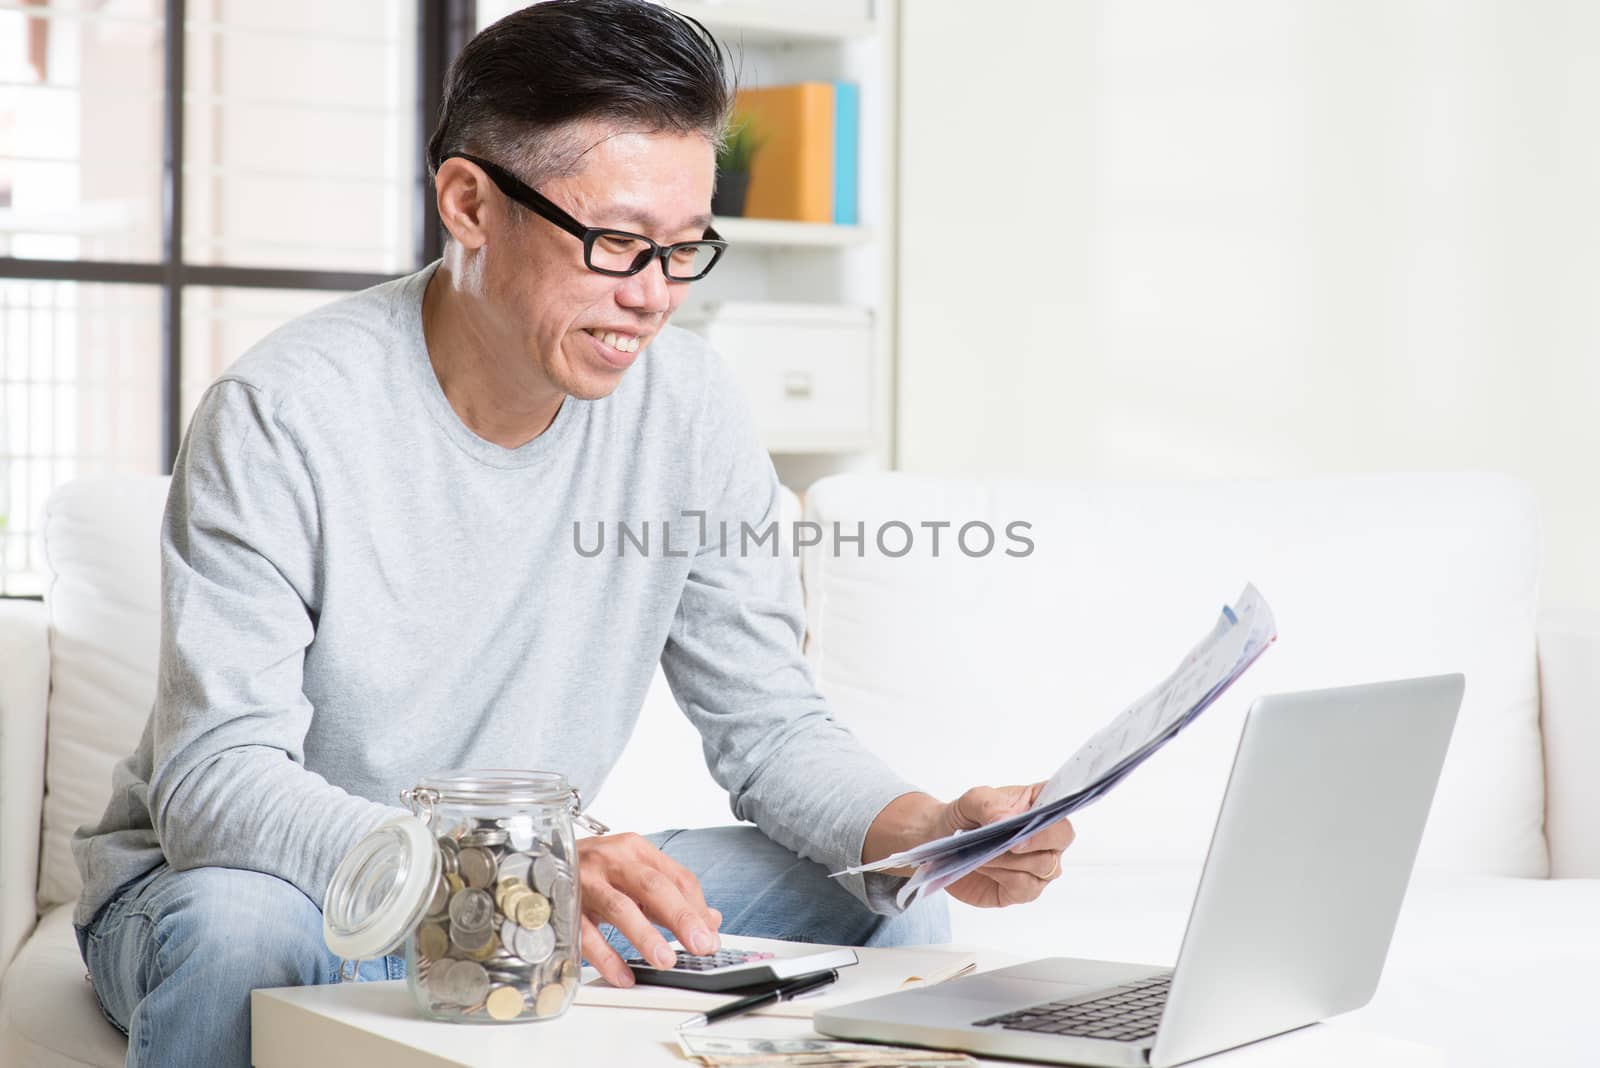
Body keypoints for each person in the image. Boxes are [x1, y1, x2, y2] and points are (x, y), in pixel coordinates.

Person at [69, 2, 1075, 1065]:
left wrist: (926, 830)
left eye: (685, 251)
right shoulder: (286, 409)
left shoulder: (688, 408)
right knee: (240, 933)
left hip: (519, 893)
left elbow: (772, 728)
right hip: (281, 890)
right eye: (616, 243)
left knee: (888, 904)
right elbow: (215, 781)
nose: (652, 298)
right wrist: (506, 872)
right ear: (469, 203)